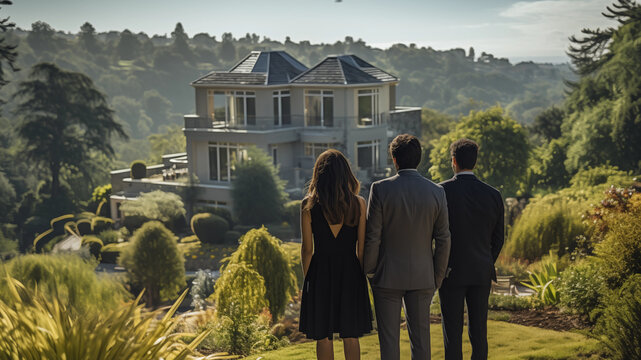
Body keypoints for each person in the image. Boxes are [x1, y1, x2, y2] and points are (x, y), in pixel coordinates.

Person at [364, 134, 451, 360]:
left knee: (389, 343)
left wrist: (369, 270)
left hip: (387, 276)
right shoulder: (437, 192)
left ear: (394, 159)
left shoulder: (380, 189)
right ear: (419, 159)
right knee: (422, 344)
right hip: (423, 276)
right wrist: (437, 276)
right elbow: (443, 238)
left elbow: (373, 236)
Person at [299, 149, 373, 360]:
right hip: (350, 273)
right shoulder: (358, 203)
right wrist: (361, 277)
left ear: (319, 175)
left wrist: (309, 279)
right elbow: (362, 248)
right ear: (345, 174)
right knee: (351, 335)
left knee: (323, 336)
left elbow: (307, 249)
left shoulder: (308, 205)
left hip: (320, 273)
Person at [438, 139, 505, 360]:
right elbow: (498, 239)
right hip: (481, 271)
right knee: (479, 333)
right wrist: (487, 259)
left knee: (452, 334)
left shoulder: (441, 192)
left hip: (451, 272)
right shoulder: (493, 194)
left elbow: (434, 235)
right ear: (474, 162)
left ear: (454, 161)